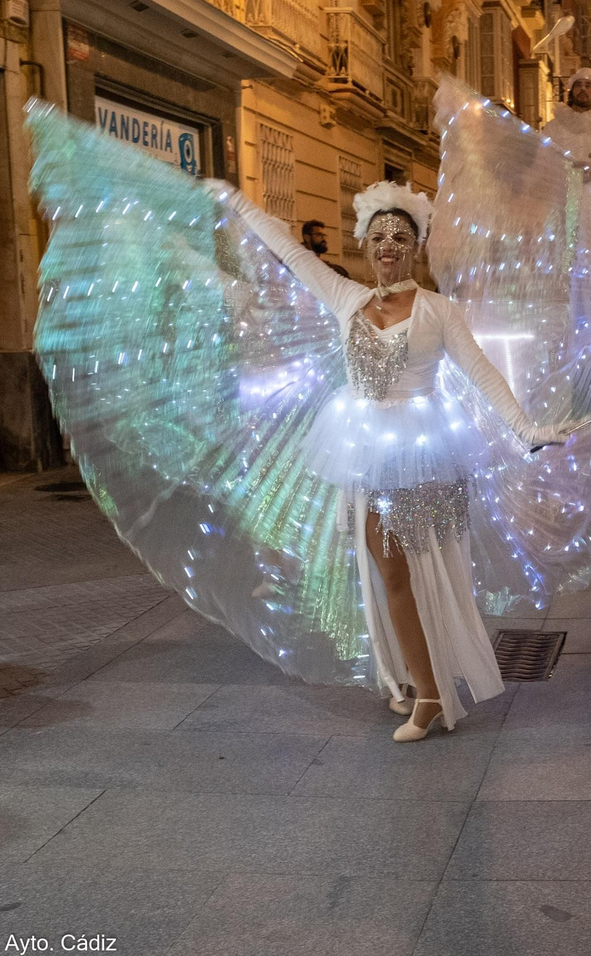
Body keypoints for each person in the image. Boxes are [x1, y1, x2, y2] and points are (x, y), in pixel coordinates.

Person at [234, 183, 564, 740]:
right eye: (380, 237)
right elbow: (290, 253)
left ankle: (429, 688)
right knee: (388, 574)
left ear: (417, 246)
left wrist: (527, 429)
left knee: (423, 571)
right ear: (364, 244)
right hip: (363, 452)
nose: (389, 246)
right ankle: (419, 684)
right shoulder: (346, 299)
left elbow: (482, 373)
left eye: (402, 238)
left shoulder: (438, 311)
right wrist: (239, 205)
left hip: (424, 456)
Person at [540, 68, 591, 184]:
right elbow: (542, 154)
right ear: (572, 91)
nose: (582, 89)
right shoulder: (556, 124)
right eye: (578, 85)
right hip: (565, 192)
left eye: (588, 86)